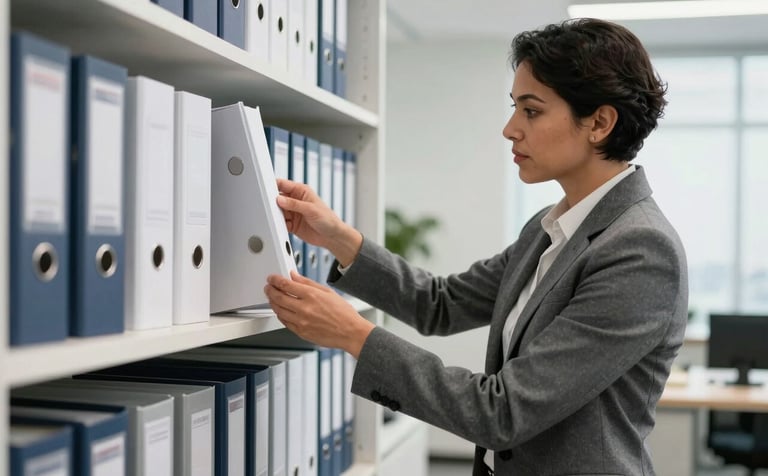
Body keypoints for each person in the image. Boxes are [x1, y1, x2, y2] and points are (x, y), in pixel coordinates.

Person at [264, 17, 688, 476]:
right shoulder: (548, 229)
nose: (510, 129)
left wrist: (352, 333)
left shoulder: (641, 251)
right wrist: (335, 236)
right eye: (515, 108)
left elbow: (502, 414)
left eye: (531, 110)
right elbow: (440, 304)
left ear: (599, 123)